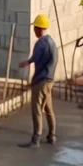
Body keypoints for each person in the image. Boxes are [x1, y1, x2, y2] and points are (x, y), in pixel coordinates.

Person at [19, 14, 58, 148]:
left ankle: (36, 138)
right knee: (48, 109)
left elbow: (35, 58)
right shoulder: (52, 43)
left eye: (35, 28)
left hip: (41, 80)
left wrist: (27, 62)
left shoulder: (41, 43)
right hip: (50, 80)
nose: (34, 31)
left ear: (39, 28)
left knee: (36, 110)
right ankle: (52, 135)